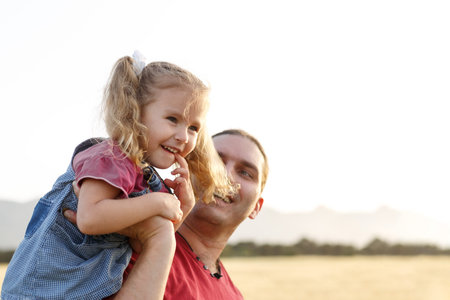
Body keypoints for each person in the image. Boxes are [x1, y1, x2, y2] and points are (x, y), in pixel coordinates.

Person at [1, 52, 232, 300]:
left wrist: (182, 207)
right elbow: (89, 219)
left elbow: (141, 244)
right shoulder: (110, 157)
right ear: (136, 113)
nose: (183, 136)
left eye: (193, 127)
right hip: (42, 291)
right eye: (172, 119)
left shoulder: (144, 176)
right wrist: (156, 203)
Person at [65, 129, 268, 299]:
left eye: (245, 173)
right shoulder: (118, 242)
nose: (225, 174)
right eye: (214, 161)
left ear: (256, 208)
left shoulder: (234, 296)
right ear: (185, 168)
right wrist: (156, 234)